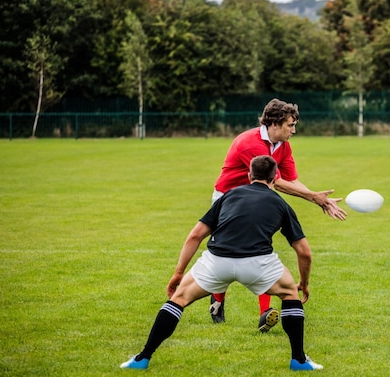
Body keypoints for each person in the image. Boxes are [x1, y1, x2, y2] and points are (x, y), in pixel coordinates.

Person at [120, 155, 323, 371]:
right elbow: (304, 252)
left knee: (179, 299)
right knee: (290, 294)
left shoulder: (229, 196)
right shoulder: (281, 203)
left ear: (248, 175)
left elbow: (195, 236)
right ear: (274, 179)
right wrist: (304, 282)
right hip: (258, 264)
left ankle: (142, 358)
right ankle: (299, 361)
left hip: (217, 261)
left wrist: (178, 273)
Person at [209, 98, 347, 332]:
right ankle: (217, 301)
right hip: (228, 200)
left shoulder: (283, 145)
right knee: (226, 254)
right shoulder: (250, 144)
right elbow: (278, 182)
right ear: (274, 123)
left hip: (257, 199)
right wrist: (314, 197)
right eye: (290, 125)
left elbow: (291, 179)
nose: (294, 130)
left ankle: (265, 313)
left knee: (259, 248)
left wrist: (318, 199)